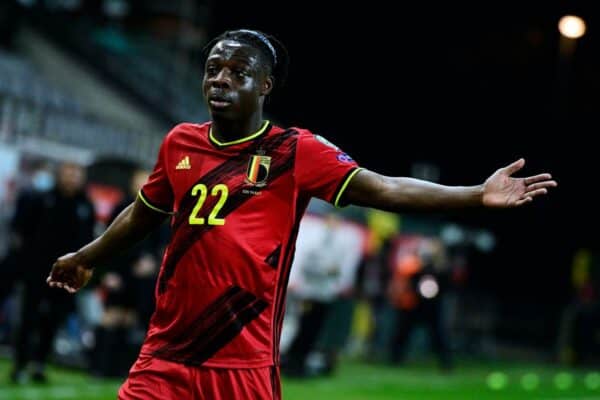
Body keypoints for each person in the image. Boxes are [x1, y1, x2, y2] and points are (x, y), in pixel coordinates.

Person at [46, 29, 557, 399]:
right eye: (213, 70)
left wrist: (474, 195)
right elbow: (144, 213)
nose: (220, 80)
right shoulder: (179, 142)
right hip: (165, 356)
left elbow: (385, 189)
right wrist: (86, 256)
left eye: (238, 73)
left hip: (241, 365)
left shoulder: (295, 152)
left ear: (265, 85)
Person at [11, 161, 95, 383]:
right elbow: (22, 232)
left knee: (53, 320)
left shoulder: (85, 205)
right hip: (37, 270)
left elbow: (89, 241)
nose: (72, 177)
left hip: (67, 276)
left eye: (76, 173)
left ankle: (39, 363)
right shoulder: (41, 199)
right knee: (29, 317)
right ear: (60, 175)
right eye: (68, 172)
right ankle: (20, 364)